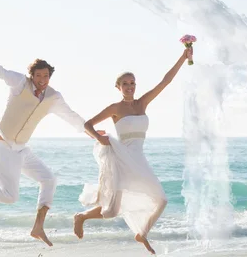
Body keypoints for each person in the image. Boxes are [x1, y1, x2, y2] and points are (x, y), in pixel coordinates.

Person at [0, 30, 90, 247]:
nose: (42, 80)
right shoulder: (19, 83)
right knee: (10, 197)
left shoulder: (54, 97)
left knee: (49, 180)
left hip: (22, 150)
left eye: (46, 76)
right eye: (38, 76)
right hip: (3, 146)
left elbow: (72, 117)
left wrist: (93, 133)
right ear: (31, 75)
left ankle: (38, 226)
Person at [74, 45, 193, 255]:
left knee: (162, 200)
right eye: (125, 84)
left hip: (139, 159)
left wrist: (183, 57)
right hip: (121, 158)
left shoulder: (142, 104)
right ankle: (81, 217)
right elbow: (87, 125)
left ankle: (141, 233)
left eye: (132, 83)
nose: (129, 87)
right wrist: (99, 138)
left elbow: (166, 81)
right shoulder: (115, 108)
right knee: (111, 211)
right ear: (118, 87)